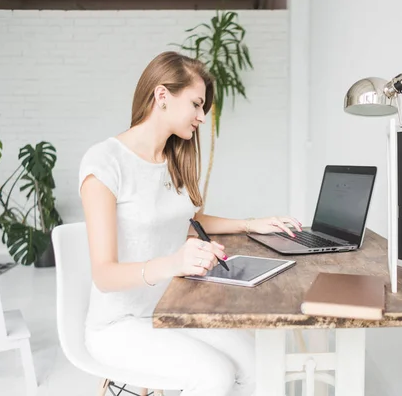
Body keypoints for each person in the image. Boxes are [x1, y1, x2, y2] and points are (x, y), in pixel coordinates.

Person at [78, 51, 302, 396]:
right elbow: (104, 275)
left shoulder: (171, 159)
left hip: (169, 308)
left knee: (259, 364)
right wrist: (174, 263)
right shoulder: (105, 162)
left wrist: (251, 224)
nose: (201, 116)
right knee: (215, 376)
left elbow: (184, 221)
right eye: (196, 104)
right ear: (162, 96)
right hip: (117, 325)